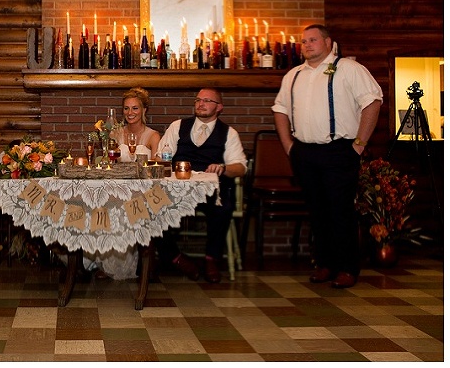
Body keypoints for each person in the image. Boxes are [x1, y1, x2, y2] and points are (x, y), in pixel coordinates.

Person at [272, 24, 382, 289]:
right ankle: (324, 264)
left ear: (328, 42)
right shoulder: (294, 75)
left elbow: (373, 102)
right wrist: (289, 146)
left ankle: (347, 268)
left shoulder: (349, 69)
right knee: (316, 210)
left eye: (313, 40)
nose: (307, 45)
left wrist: (359, 144)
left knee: (340, 210)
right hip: (304, 152)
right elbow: (280, 109)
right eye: (304, 41)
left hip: (339, 151)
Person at [155, 88, 248, 283]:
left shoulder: (229, 133)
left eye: (207, 100)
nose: (201, 104)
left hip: (211, 191)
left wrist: (223, 168)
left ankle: (212, 260)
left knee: (223, 208)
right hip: (178, 189)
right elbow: (160, 157)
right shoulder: (178, 126)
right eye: (198, 100)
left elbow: (240, 167)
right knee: (151, 207)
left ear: (219, 107)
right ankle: (175, 258)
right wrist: (163, 164)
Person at [84, 87, 161, 280]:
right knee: (100, 204)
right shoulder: (115, 133)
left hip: (143, 190)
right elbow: (107, 161)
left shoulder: (153, 136)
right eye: (126, 108)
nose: (130, 113)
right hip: (117, 186)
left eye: (135, 108)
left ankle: (128, 263)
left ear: (144, 110)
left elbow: (157, 165)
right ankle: (100, 258)